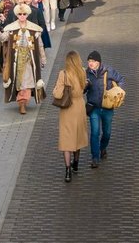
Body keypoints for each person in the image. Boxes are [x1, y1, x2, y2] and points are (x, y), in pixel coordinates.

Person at [0, 3, 47, 115]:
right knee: (18, 82)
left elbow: (40, 45)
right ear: (17, 15)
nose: (22, 16)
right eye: (20, 14)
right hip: (15, 61)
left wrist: (43, 58)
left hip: (29, 60)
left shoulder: (34, 28)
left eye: (24, 14)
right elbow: (4, 38)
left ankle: (23, 103)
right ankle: (21, 101)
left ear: (27, 14)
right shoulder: (12, 27)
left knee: (27, 82)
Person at [85, 50, 125, 168]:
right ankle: (95, 158)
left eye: (93, 61)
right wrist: (84, 86)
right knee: (95, 133)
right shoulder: (86, 74)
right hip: (94, 108)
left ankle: (103, 148)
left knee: (107, 133)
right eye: (89, 61)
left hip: (107, 107)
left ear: (99, 62)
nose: (90, 63)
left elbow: (121, 79)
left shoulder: (108, 70)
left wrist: (119, 92)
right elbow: (82, 91)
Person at [53, 50, 89, 182]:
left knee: (67, 139)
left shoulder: (63, 74)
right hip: (79, 106)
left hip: (67, 109)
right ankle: (76, 164)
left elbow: (57, 94)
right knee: (78, 136)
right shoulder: (83, 72)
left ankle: (67, 171)